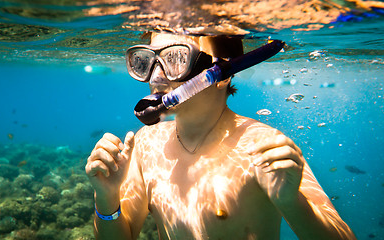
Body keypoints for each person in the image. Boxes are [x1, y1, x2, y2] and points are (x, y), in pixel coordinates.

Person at [85, 32, 356, 240]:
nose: (156, 78)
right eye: (145, 61)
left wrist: (291, 202)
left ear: (222, 73)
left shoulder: (261, 144)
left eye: (175, 59)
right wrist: (106, 198)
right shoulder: (147, 142)